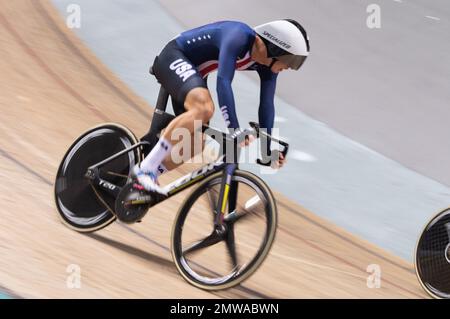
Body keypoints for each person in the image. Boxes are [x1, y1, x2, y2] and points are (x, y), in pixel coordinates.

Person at [133, 19, 310, 194]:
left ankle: (142, 181)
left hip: (194, 73)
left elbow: (266, 104)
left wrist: (267, 150)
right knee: (204, 108)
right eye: (290, 60)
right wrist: (234, 129)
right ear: (274, 47)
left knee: (194, 144)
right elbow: (223, 82)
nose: (289, 67)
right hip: (174, 55)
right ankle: (144, 170)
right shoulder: (239, 35)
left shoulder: (267, 67)